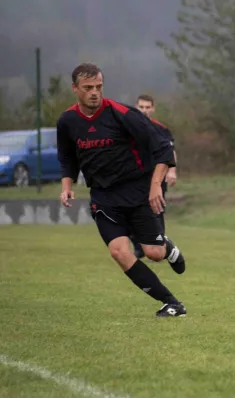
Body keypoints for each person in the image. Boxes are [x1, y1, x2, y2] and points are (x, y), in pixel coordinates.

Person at [57, 63, 187, 317]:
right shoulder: (68, 121)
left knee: (154, 253)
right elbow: (67, 156)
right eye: (88, 88)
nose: (95, 92)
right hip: (104, 196)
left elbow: (163, 149)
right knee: (119, 251)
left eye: (99, 86)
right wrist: (67, 186)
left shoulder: (123, 114)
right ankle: (171, 303)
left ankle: (167, 247)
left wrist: (154, 187)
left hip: (138, 190)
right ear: (75, 89)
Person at [129, 94, 178, 259]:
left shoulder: (161, 129)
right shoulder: (128, 127)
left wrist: (171, 171)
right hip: (133, 178)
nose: (144, 110)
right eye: (141, 107)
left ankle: (160, 246)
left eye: (147, 107)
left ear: (153, 108)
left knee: (156, 211)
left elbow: (170, 152)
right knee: (128, 211)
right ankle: (139, 246)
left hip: (156, 178)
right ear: (136, 107)